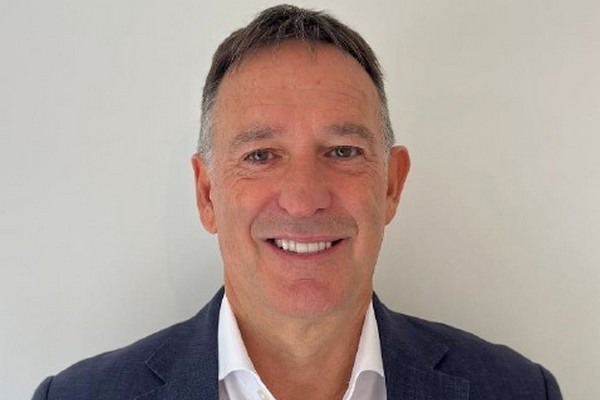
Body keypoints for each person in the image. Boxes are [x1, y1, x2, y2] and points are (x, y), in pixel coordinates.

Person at [33, 4, 562, 400]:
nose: (304, 199)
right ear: (207, 194)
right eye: (261, 155)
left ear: (391, 185)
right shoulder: (77, 396)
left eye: (343, 151)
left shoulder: (518, 390)